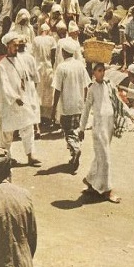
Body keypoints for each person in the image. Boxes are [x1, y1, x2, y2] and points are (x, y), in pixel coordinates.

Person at [78, 63, 124, 203]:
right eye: (99, 70)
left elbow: (118, 103)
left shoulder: (109, 85)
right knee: (106, 159)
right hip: (98, 127)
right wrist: (81, 128)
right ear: (93, 73)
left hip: (108, 126)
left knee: (101, 156)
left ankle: (90, 180)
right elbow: (86, 109)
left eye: (103, 70)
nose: (102, 73)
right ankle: (107, 191)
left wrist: (130, 115)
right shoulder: (92, 89)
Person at [0, 32, 41, 167]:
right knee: (7, 132)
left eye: (18, 46)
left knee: (28, 127)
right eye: (14, 46)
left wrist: (28, 96)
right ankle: (6, 157)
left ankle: (30, 155)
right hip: (10, 103)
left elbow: (26, 78)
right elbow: (5, 86)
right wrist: (15, 98)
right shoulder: (2, 65)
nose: (17, 48)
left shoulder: (21, 60)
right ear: (8, 46)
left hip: (24, 100)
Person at [51, 37, 90, 172]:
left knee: (68, 131)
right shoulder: (80, 66)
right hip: (79, 105)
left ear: (63, 52)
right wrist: (85, 101)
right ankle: (74, 155)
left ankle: (75, 149)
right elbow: (86, 86)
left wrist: (53, 107)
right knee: (75, 130)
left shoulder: (61, 68)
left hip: (67, 106)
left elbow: (57, 90)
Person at [32, 23, 57, 127]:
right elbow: (53, 55)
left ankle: (37, 117)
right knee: (48, 92)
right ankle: (46, 117)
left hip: (38, 67)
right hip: (48, 67)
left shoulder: (35, 39)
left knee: (38, 92)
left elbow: (33, 54)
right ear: (48, 30)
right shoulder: (51, 40)